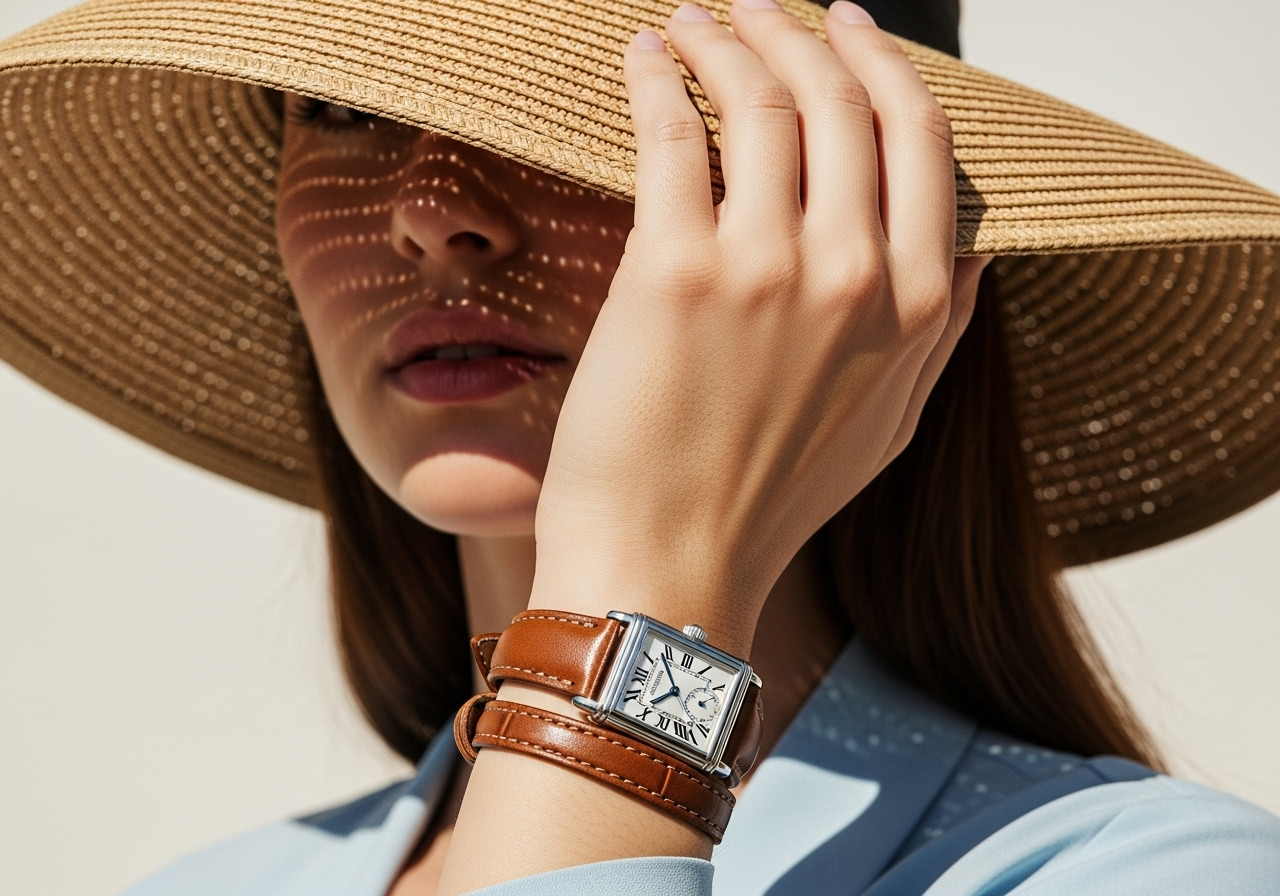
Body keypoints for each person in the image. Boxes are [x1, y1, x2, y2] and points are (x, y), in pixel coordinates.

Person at [1, 0, 1279, 893]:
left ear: (859, 221)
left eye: (597, 95)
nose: (432, 210)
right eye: (342, 101)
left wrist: (640, 585)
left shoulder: (1123, 870)